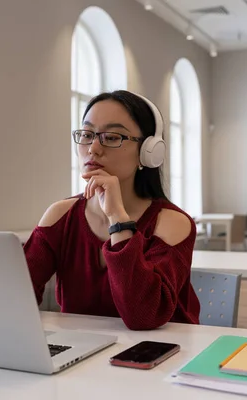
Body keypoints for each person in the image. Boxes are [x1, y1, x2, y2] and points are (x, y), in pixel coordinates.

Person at [24, 90, 200, 330]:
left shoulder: (172, 223)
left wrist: (117, 219)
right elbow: (17, 295)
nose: (93, 148)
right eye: (87, 134)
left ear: (148, 152)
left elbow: (143, 317)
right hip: (84, 353)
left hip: (163, 354)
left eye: (112, 136)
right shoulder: (61, 216)